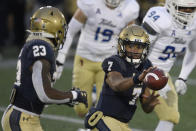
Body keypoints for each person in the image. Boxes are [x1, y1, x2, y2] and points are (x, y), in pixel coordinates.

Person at [1, 6, 87, 131]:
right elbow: (44, 95)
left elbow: (38, 95)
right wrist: (74, 95)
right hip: (23, 118)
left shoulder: (33, 44)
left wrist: (65, 98)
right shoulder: (42, 47)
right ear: (53, 27)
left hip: (25, 116)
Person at [54, 0, 140, 118]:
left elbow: (131, 39)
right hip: (85, 58)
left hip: (108, 62)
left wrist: (131, 66)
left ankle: (97, 99)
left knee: (104, 110)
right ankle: (94, 95)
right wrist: (60, 58)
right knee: (81, 109)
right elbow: (70, 31)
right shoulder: (91, 3)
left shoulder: (129, 8)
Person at [84, 25, 160, 131]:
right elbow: (116, 85)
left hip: (124, 124)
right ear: (122, 45)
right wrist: (137, 78)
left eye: (139, 47)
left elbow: (146, 107)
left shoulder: (146, 65)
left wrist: (149, 104)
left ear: (145, 48)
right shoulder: (115, 61)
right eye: (130, 46)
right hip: (105, 120)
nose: (135, 51)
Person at [142, 0, 196, 130]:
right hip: (137, 70)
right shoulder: (159, 17)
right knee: (118, 112)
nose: (188, 13)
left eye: (192, 9)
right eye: (183, 8)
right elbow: (139, 49)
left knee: (171, 116)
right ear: (171, 5)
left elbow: (193, 50)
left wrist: (183, 77)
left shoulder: (194, 24)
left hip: (161, 75)